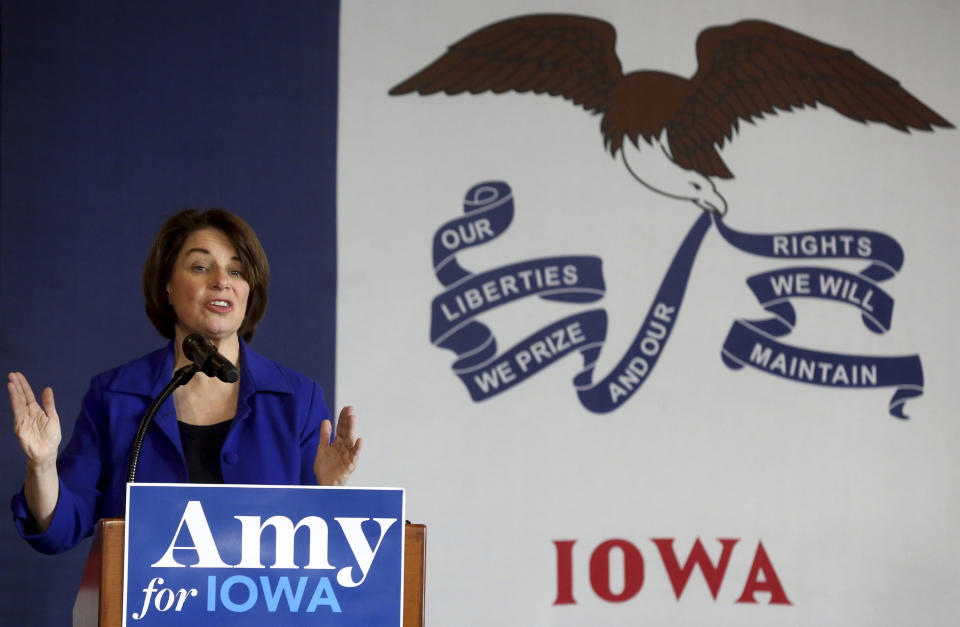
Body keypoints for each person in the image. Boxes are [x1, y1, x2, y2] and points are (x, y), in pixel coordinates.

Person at [8, 209, 361, 554]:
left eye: (237, 270)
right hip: (149, 609)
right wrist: (41, 465)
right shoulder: (115, 396)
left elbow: (312, 550)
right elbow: (61, 529)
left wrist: (329, 492)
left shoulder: (296, 399)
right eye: (201, 266)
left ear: (249, 291)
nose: (222, 280)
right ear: (167, 286)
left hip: (262, 608)